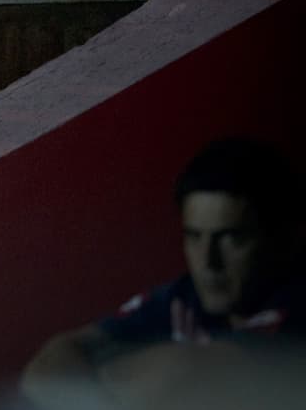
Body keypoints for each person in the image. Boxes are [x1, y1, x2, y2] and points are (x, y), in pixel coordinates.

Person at [20, 136, 306, 409]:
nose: (208, 260)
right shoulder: (186, 297)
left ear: (287, 238)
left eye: (231, 238)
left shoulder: (296, 306)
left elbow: (182, 372)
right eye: (194, 237)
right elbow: (47, 367)